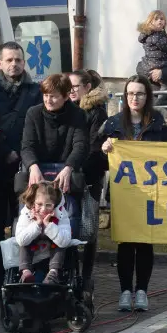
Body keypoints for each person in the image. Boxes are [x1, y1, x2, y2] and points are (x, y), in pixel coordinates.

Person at [0, 41, 42, 302]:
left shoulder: (36, 92)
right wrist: (6, 151)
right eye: (9, 60)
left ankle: (26, 275)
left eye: (18, 60)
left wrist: (22, 153)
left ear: (24, 63)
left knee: (27, 224)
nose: (14, 64)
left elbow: (37, 126)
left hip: (26, 171)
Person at [100, 75, 167, 312]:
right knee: (126, 244)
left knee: (145, 244)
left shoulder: (158, 123)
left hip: (150, 192)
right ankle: (125, 291)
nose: (134, 98)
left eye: (139, 93)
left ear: (147, 96)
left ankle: (142, 291)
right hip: (123, 193)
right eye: (130, 93)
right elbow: (96, 159)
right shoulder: (113, 124)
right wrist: (104, 148)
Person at [68, 69, 109, 304]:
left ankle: (86, 275)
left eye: (76, 86)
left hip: (90, 177)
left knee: (89, 227)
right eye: (69, 86)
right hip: (68, 177)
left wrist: (77, 165)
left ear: (86, 88)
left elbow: (94, 145)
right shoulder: (66, 110)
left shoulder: (96, 112)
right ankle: (69, 270)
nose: (72, 90)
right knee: (68, 224)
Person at [15, 181, 74, 284]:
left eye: (48, 205)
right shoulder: (26, 213)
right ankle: (26, 272)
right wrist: (37, 224)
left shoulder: (60, 214)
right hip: (32, 242)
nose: (43, 209)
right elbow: (21, 240)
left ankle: (53, 273)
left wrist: (49, 225)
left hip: (52, 242)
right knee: (24, 244)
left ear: (54, 205)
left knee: (60, 244)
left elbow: (64, 240)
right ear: (33, 202)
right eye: (39, 204)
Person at [136, 10, 167, 104]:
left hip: (148, 65)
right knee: (165, 84)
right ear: (151, 22)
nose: (160, 21)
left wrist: (166, 35)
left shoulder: (149, 34)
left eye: (162, 19)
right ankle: (158, 103)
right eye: (156, 19)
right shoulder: (156, 36)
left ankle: (151, 101)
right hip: (158, 64)